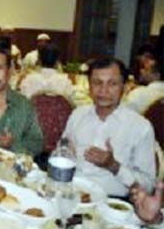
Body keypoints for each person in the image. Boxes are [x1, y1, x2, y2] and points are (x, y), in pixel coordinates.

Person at [62, 58, 156, 197]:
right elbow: (62, 150)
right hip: (69, 192)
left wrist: (114, 166)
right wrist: (65, 150)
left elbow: (148, 186)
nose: (103, 90)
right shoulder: (78, 114)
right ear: (89, 87)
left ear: (124, 87)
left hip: (111, 201)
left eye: (112, 84)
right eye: (97, 83)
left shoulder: (140, 127)